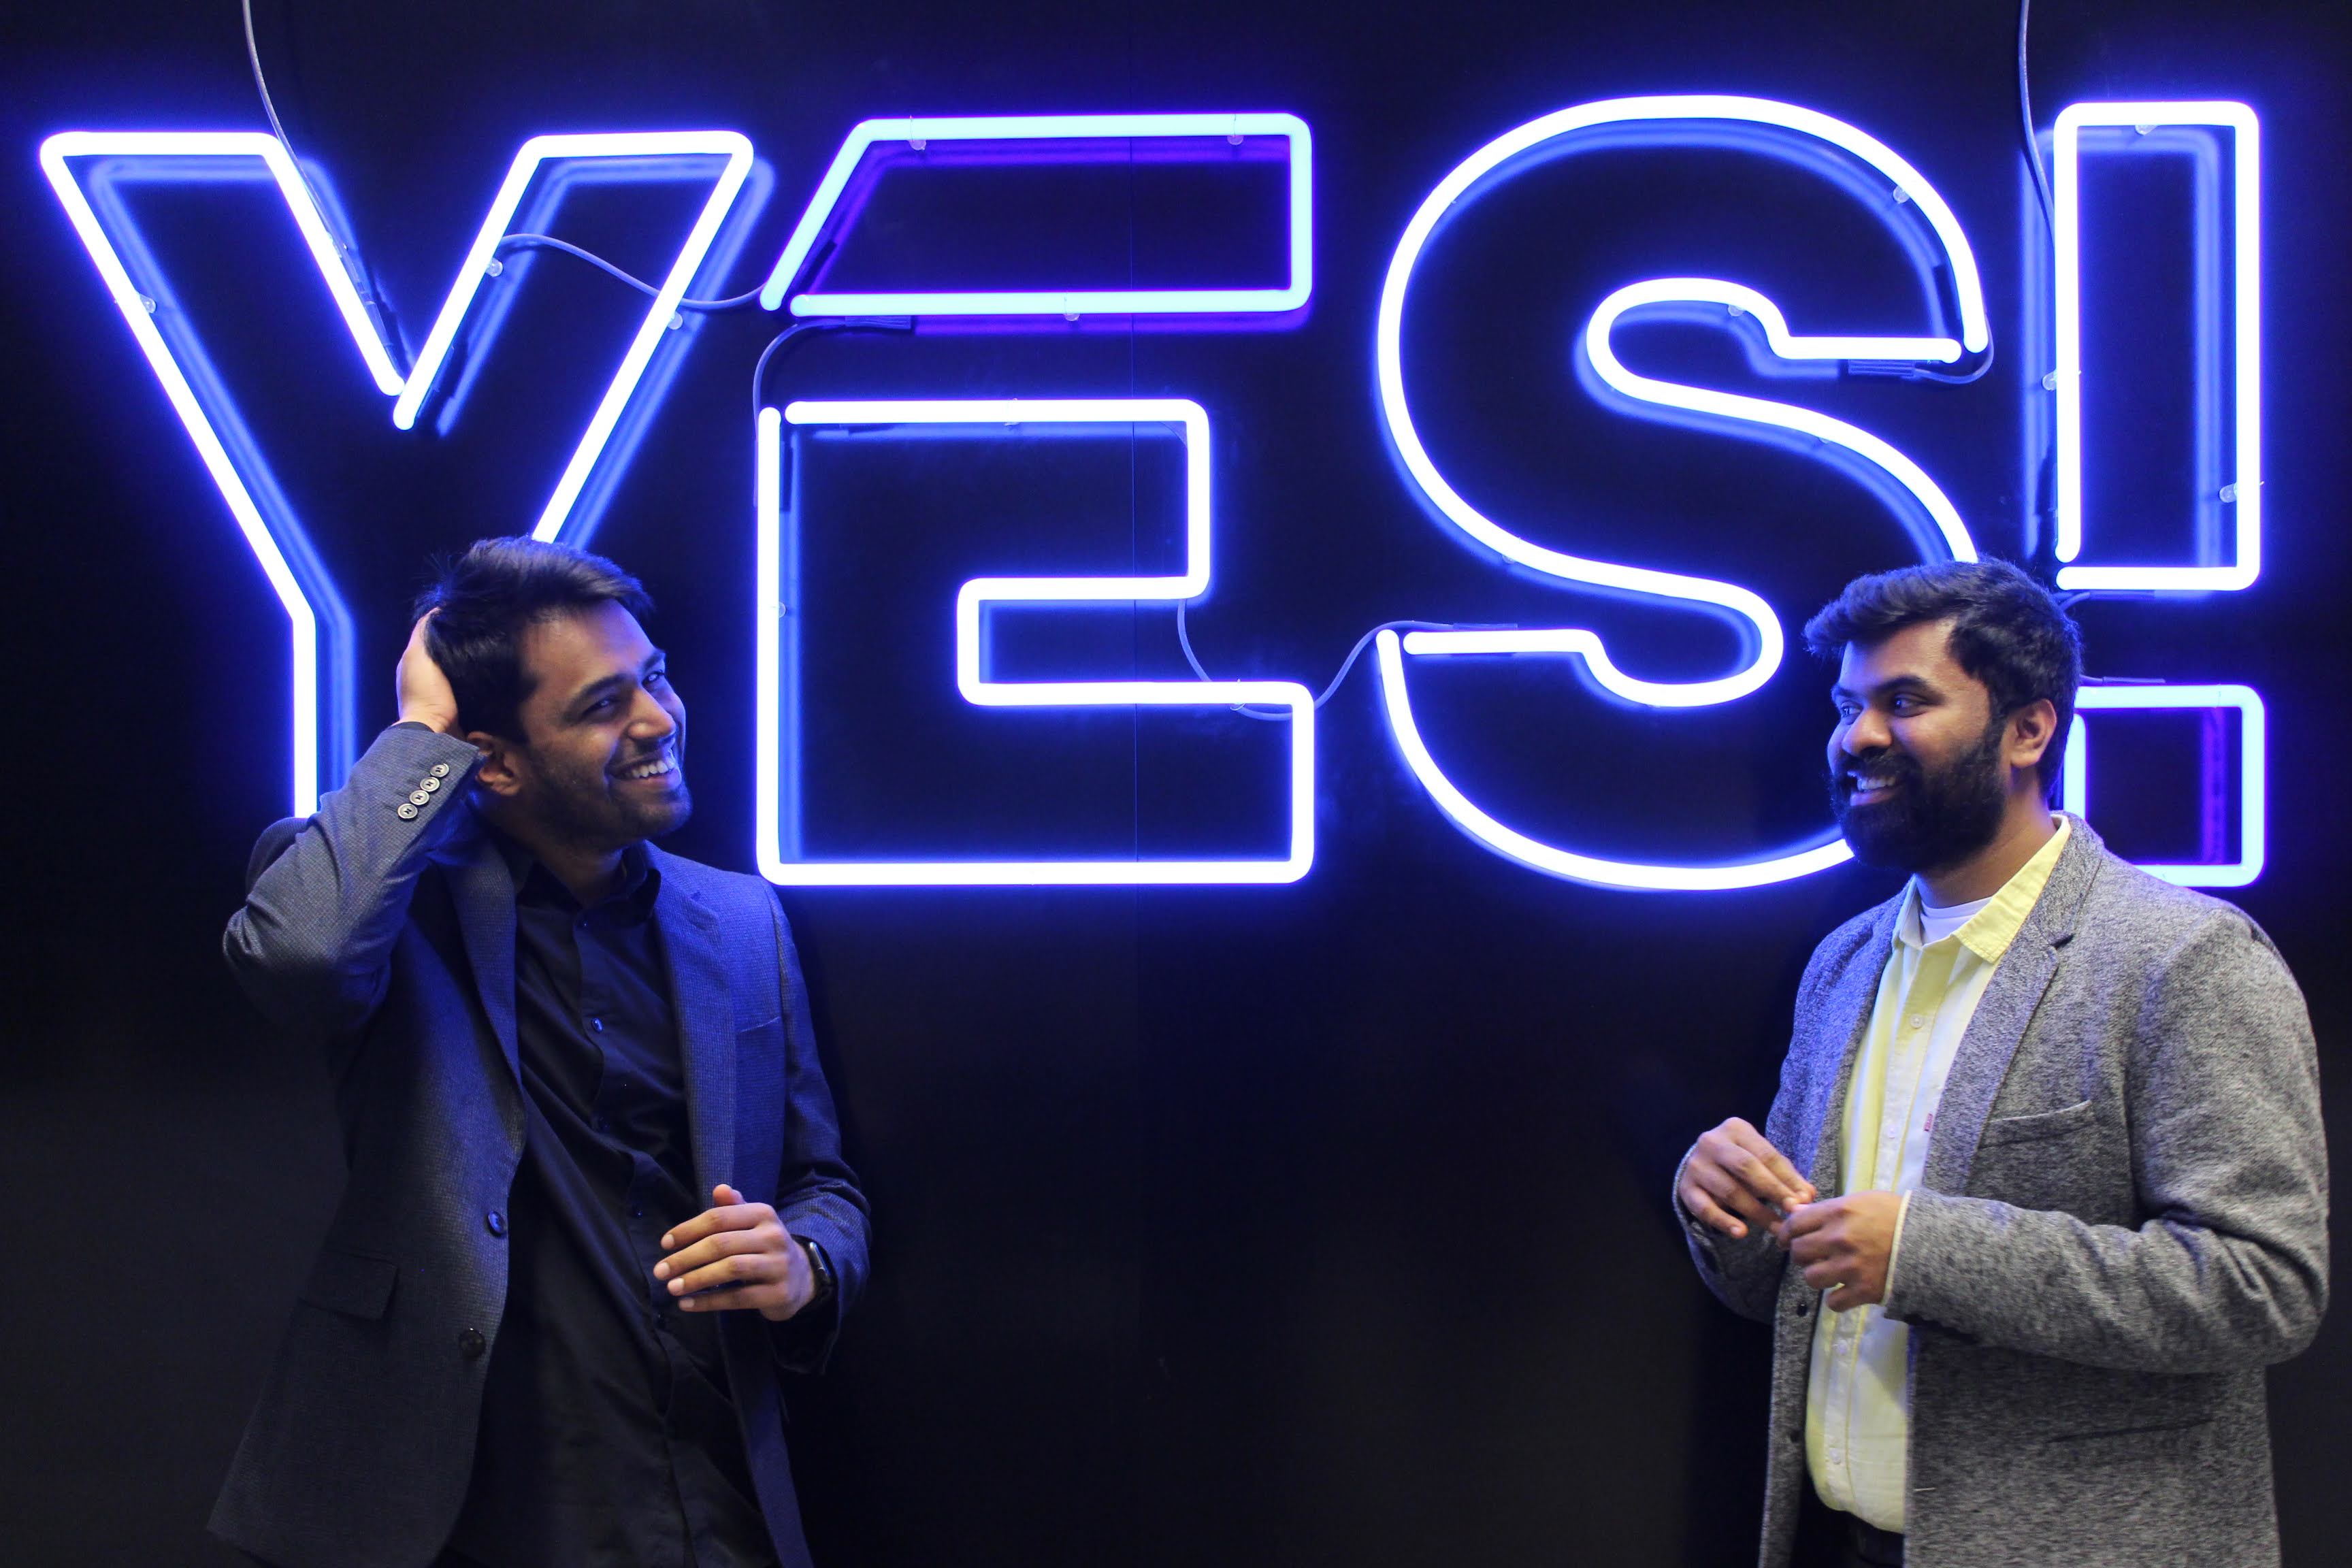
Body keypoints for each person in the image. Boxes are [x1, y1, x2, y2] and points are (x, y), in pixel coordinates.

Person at [210, 538, 870, 1568]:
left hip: (704, 1508)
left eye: (652, 677)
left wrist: (805, 1264)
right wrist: (421, 727)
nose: (657, 719)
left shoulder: (743, 924)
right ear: (498, 761)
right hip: (456, 1519)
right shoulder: (391, 903)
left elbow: (824, 1184)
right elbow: (301, 958)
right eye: (603, 705)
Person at [1675, 559, 2325, 1568]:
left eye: (1905, 702)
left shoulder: (2184, 959)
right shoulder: (1845, 963)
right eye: (1849, 706)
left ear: (2030, 729)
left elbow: (2262, 1285)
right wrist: (1728, 1215)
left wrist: (1932, 1254)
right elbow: (1792, 1288)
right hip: (1840, 1542)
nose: (1859, 738)